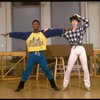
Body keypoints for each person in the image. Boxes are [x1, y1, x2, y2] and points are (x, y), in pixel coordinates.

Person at [2, 19, 65, 92]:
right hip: (32, 55)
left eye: (36, 24)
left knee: (47, 70)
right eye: (34, 24)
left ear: (39, 25)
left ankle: (54, 86)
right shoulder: (28, 34)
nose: (35, 25)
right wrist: (8, 34)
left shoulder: (43, 33)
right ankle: (20, 86)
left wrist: (63, 30)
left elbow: (53, 32)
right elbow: (18, 34)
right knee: (27, 71)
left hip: (40, 55)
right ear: (32, 25)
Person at [61, 14, 91, 91]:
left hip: (81, 48)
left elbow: (87, 22)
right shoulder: (68, 32)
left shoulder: (80, 29)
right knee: (68, 68)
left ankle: (87, 85)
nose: (74, 22)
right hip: (73, 49)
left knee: (85, 68)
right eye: (73, 21)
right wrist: (49, 30)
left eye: (75, 21)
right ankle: (64, 85)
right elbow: (58, 33)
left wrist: (79, 16)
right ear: (71, 22)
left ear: (77, 22)